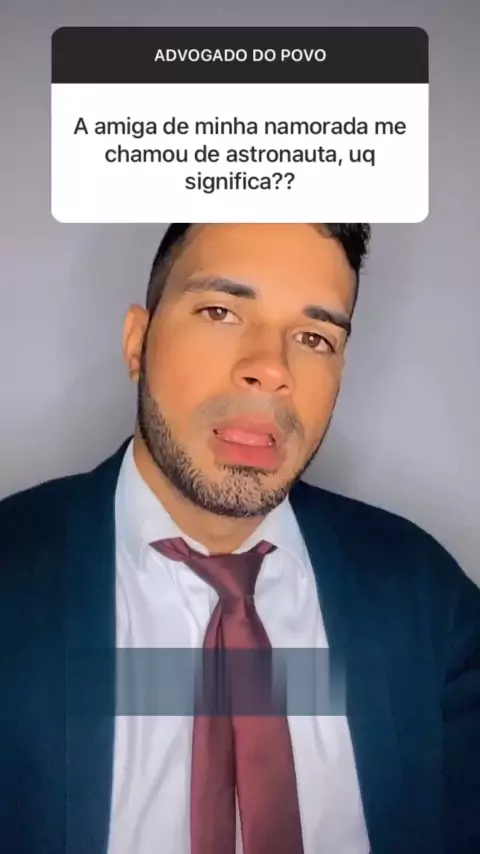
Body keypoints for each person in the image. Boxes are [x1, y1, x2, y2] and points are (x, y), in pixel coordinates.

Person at [1, 223, 479, 854]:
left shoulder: (428, 596)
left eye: (314, 337)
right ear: (138, 342)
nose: (271, 369)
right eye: (221, 312)